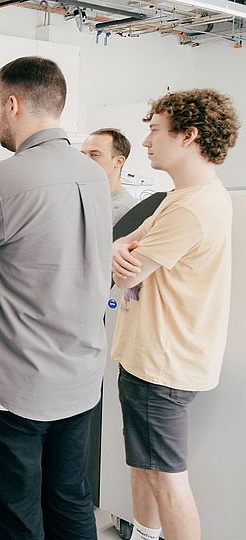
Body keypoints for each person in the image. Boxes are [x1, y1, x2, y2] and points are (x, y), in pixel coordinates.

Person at [0, 56, 111, 539]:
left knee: (15, 517)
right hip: (81, 377)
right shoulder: (95, 175)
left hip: (14, 386)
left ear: (13, 104)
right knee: (71, 504)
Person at [111, 89, 239, 540]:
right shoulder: (180, 196)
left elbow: (127, 271)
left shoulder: (194, 206)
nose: (145, 142)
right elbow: (123, 246)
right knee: (145, 467)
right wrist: (119, 249)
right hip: (151, 358)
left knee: (167, 478)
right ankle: (145, 534)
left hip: (163, 366)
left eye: (154, 131)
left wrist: (122, 252)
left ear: (189, 136)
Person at [81, 127, 139, 224]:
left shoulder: (123, 210)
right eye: (82, 155)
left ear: (119, 162)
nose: (84, 161)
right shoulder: (84, 200)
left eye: (95, 155)